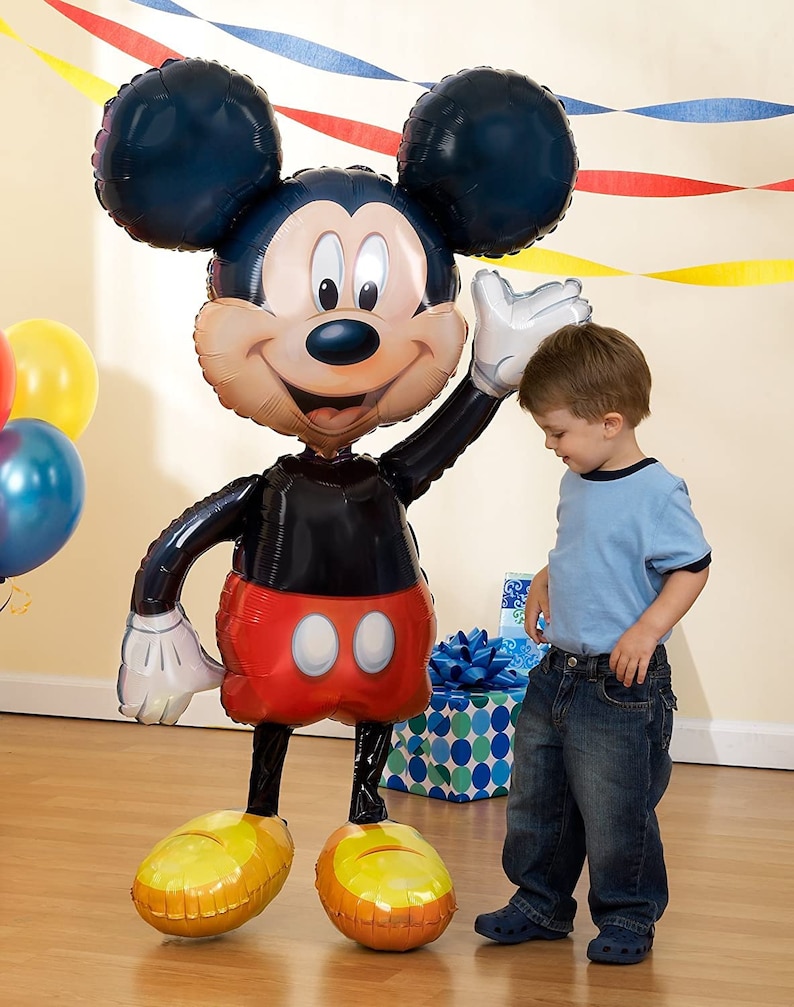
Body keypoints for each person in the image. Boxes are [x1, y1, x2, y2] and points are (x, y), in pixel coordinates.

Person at [474, 321, 710, 964]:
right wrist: (548, 575)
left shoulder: (658, 492)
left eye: (557, 432)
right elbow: (585, 546)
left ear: (609, 422)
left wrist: (647, 629)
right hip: (558, 672)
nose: (551, 446)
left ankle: (628, 915)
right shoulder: (578, 479)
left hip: (620, 687)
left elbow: (692, 566)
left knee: (616, 810)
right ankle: (540, 901)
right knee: (537, 795)